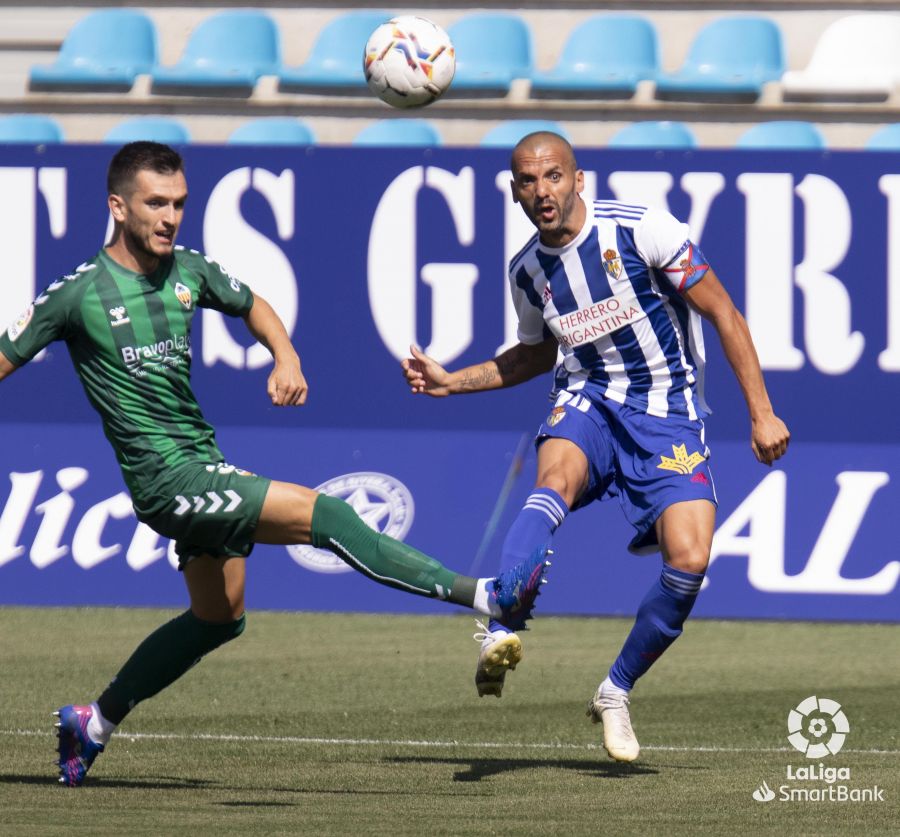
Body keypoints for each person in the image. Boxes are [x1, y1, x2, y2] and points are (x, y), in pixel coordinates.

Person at [0, 142, 549, 787]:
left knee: (218, 619)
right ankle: (486, 596)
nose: (170, 217)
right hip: (167, 483)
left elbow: (254, 304)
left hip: (202, 462)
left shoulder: (188, 270)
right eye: (155, 203)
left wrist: (285, 356)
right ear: (118, 208)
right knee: (329, 516)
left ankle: (92, 723)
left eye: (179, 203)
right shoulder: (77, 295)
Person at [402, 132, 789, 763]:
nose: (542, 191)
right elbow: (534, 355)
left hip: (667, 410)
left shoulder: (642, 230)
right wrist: (452, 382)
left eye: (553, 176)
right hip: (587, 398)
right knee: (552, 483)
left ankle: (614, 691)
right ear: (514, 191)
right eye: (528, 181)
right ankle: (499, 625)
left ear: (579, 180)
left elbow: (724, 312)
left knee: (689, 561)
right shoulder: (527, 270)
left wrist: (762, 412)